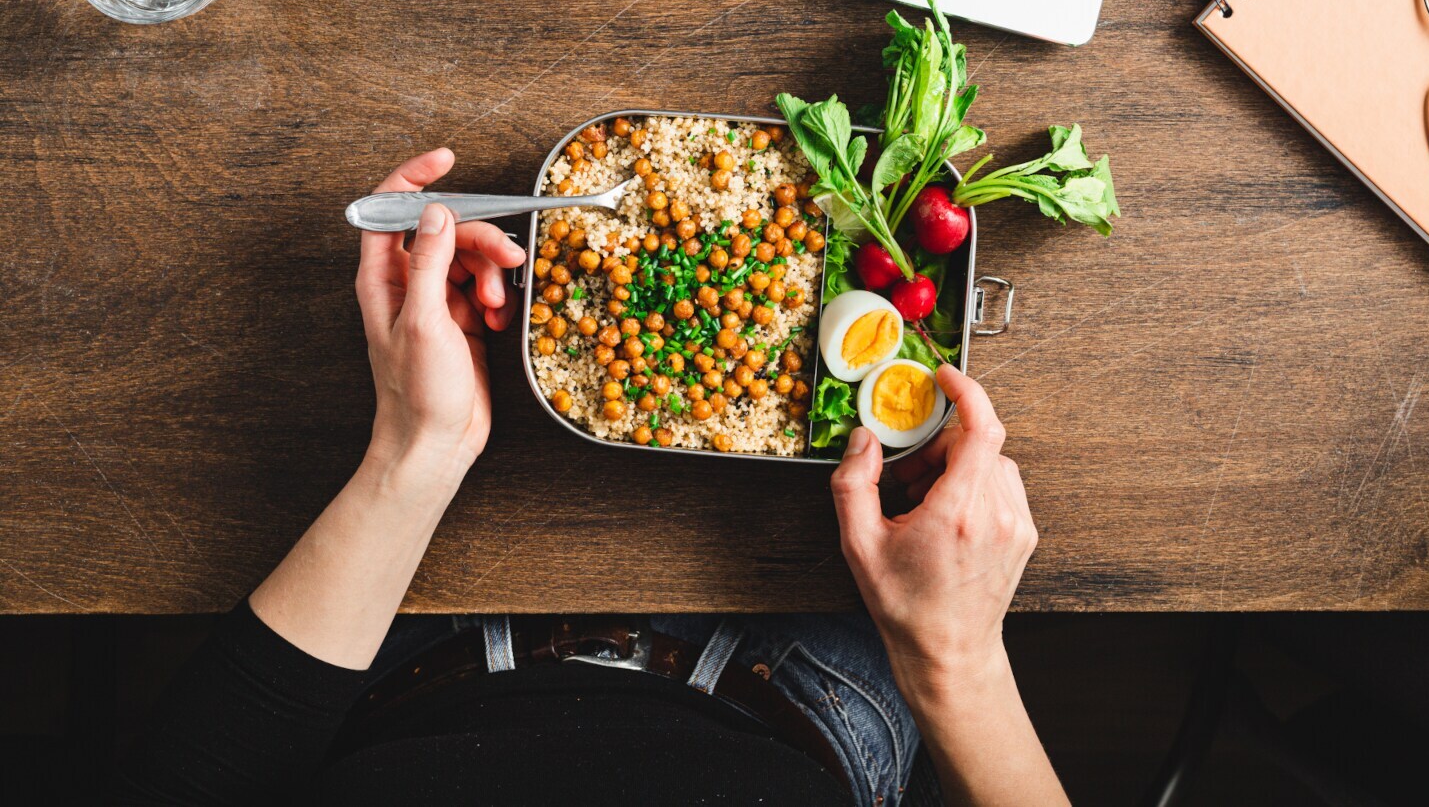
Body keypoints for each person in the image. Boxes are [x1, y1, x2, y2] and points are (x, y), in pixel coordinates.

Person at [114, 151, 1069, 807]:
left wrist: (417, 452)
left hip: (392, 661)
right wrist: (958, 664)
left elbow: (188, 786)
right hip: (817, 691)